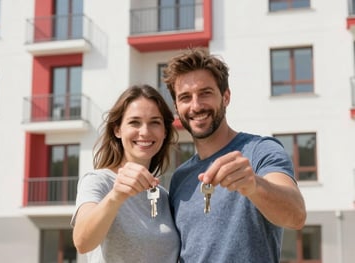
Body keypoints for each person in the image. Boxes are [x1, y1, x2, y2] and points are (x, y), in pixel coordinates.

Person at [163, 47, 306, 263]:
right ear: (176, 107)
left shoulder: (260, 150)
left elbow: (296, 215)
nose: (196, 105)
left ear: (226, 97)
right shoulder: (180, 178)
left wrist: (254, 186)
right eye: (185, 97)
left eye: (205, 93)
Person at [71, 84, 180, 262]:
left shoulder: (164, 197)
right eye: (134, 122)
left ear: (164, 132)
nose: (145, 132)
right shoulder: (99, 181)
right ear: (117, 130)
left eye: (155, 122)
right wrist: (116, 196)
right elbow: (82, 242)